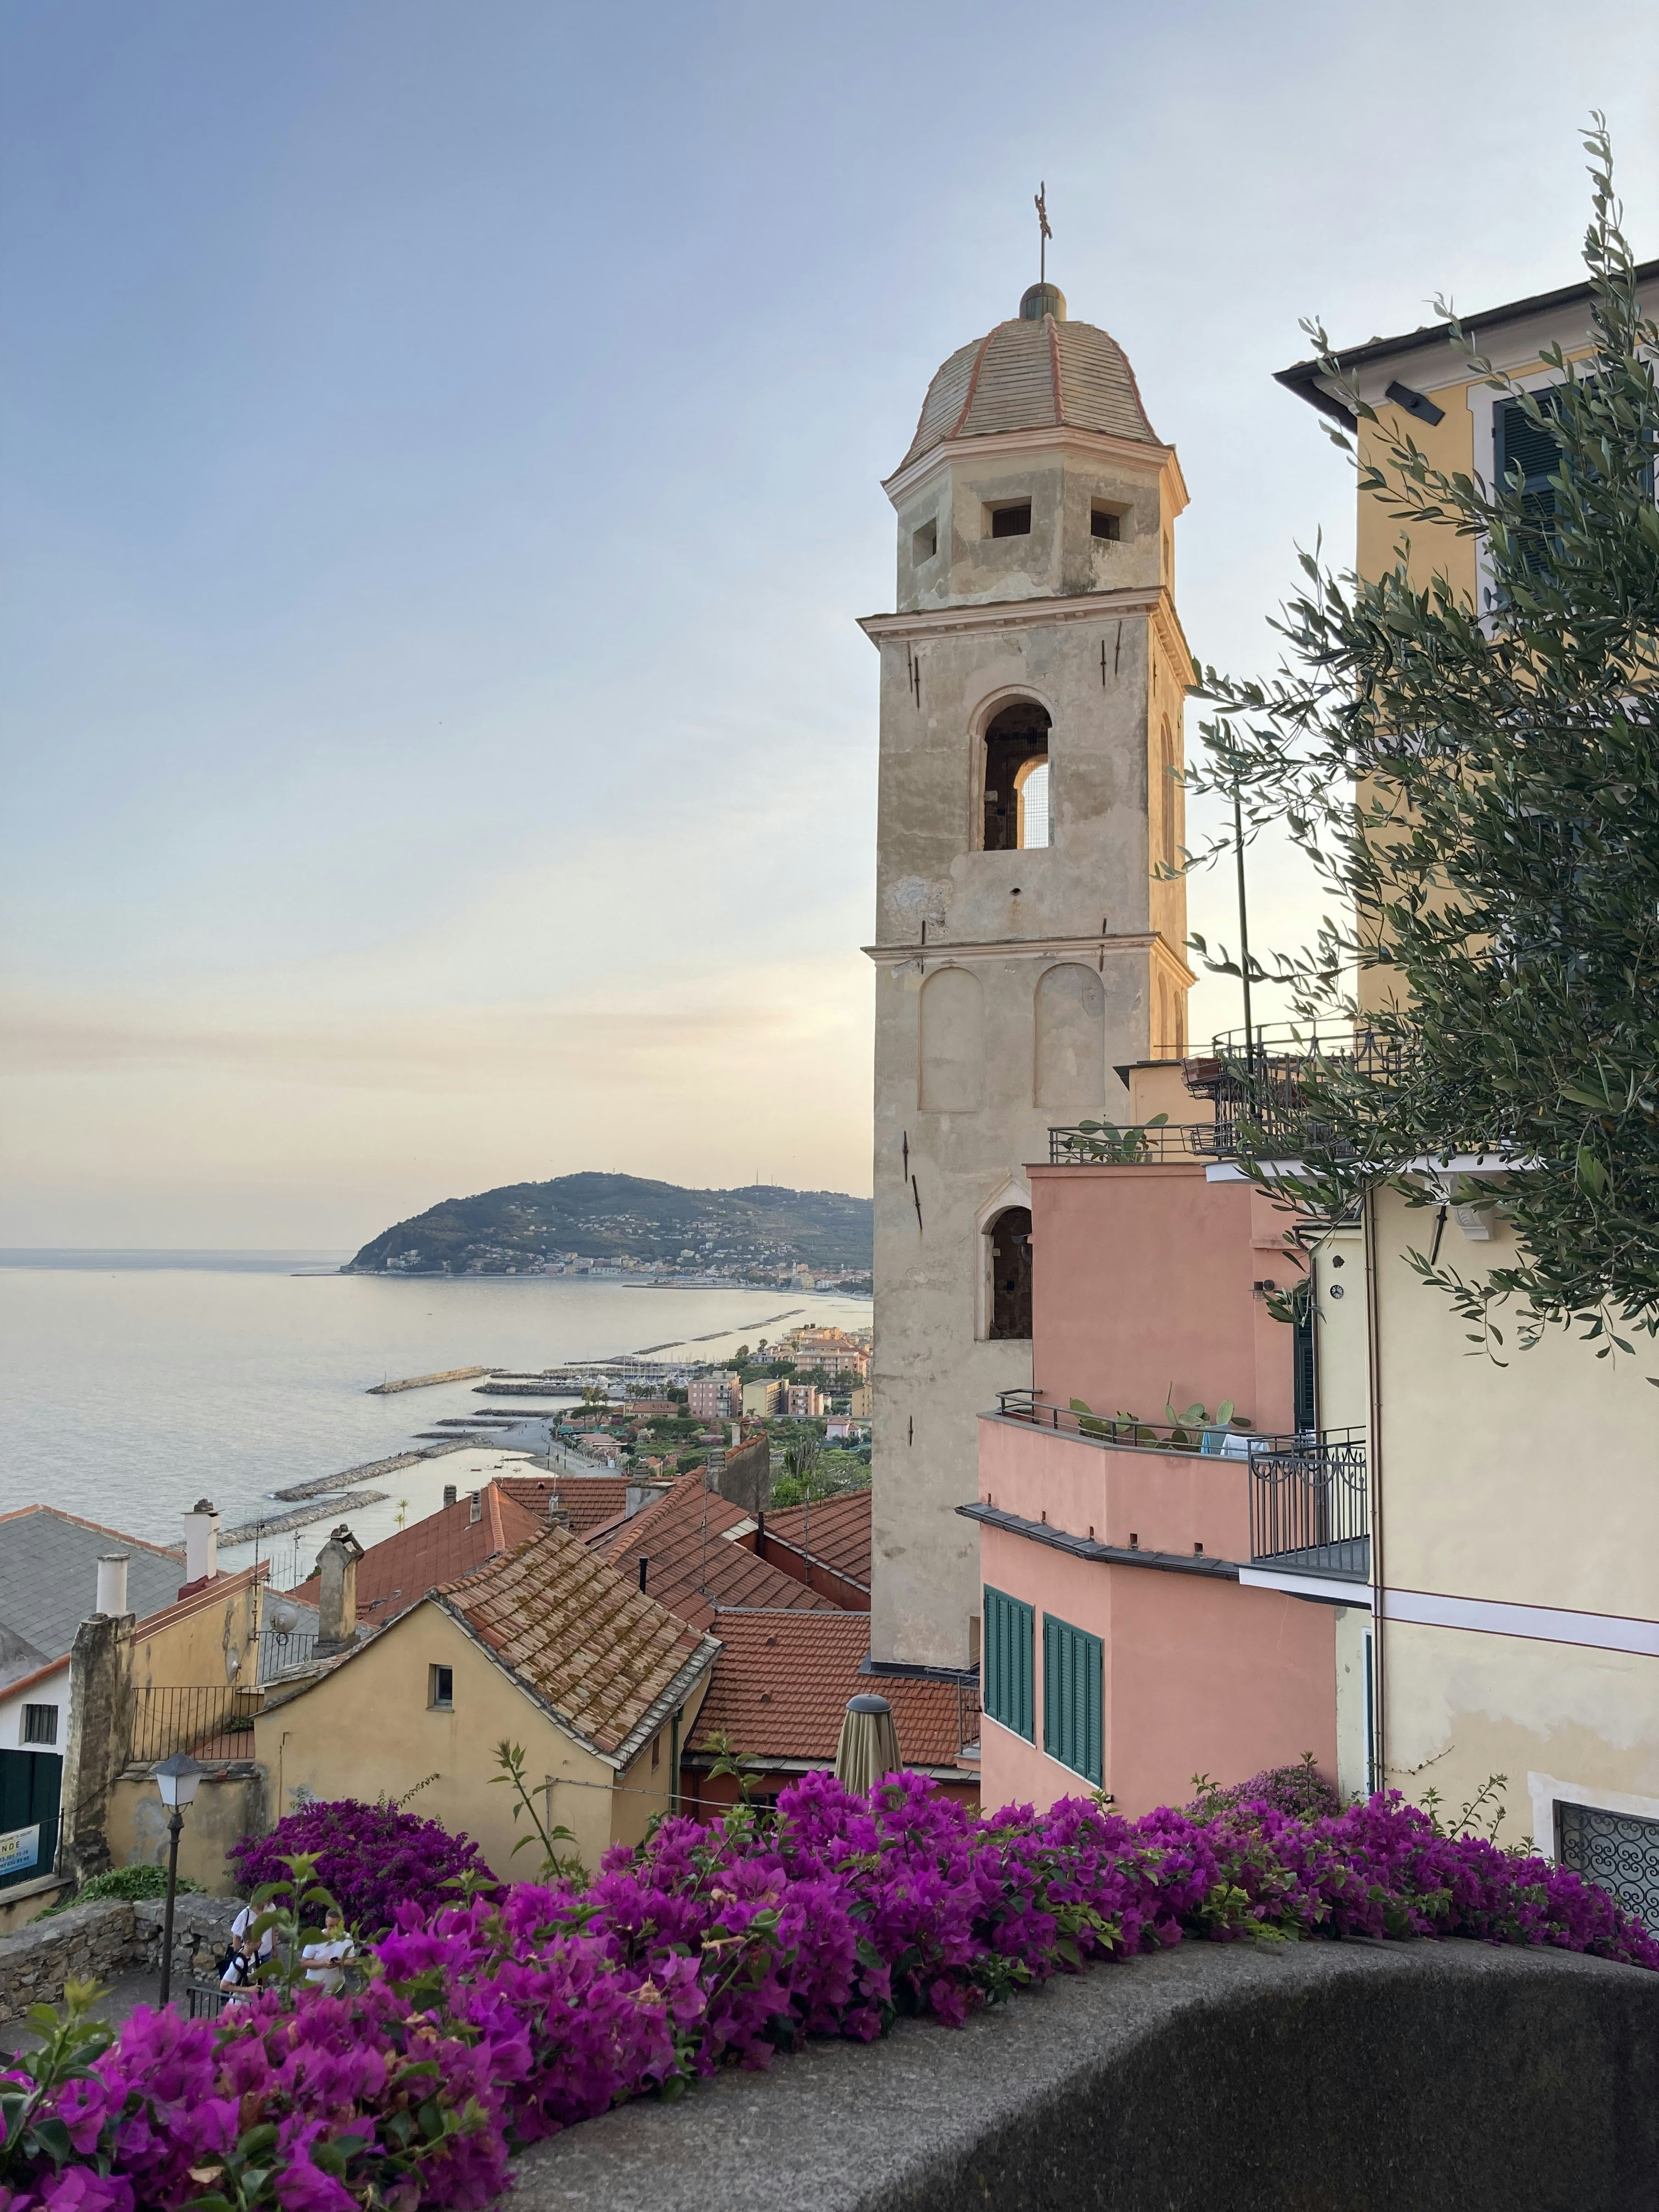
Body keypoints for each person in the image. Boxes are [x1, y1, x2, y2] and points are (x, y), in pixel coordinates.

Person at [300, 1909, 354, 1993]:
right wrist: (323, 1964)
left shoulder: (347, 1938)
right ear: (326, 1922)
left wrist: (340, 1963)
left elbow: (351, 1961)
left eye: (337, 1926)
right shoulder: (316, 1939)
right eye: (331, 1926)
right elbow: (304, 1963)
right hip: (315, 1990)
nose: (334, 1930)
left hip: (337, 1989)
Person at [218, 1934, 258, 2005]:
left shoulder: (255, 1953)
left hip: (250, 2003)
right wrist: (248, 1990)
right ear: (249, 1943)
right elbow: (224, 1986)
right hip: (238, 2005)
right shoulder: (239, 1962)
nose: (261, 1942)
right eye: (258, 1940)